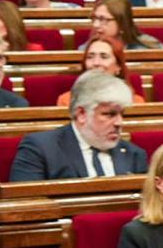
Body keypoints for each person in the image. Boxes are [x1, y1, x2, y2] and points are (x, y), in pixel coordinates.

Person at [10, 70, 148, 181]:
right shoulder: (41, 149)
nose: (119, 122)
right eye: (109, 114)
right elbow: (25, 206)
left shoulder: (134, 155)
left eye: (121, 114)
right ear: (82, 114)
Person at [55, 37, 146, 107]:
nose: (96, 63)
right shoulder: (67, 101)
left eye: (104, 57)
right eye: (90, 57)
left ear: (118, 67)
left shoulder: (135, 102)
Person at [85, 0, 163, 50]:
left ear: (122, 24)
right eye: (94, 18)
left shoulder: (147, 50)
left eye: (103, 19)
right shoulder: (85, 50)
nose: (95, 25)